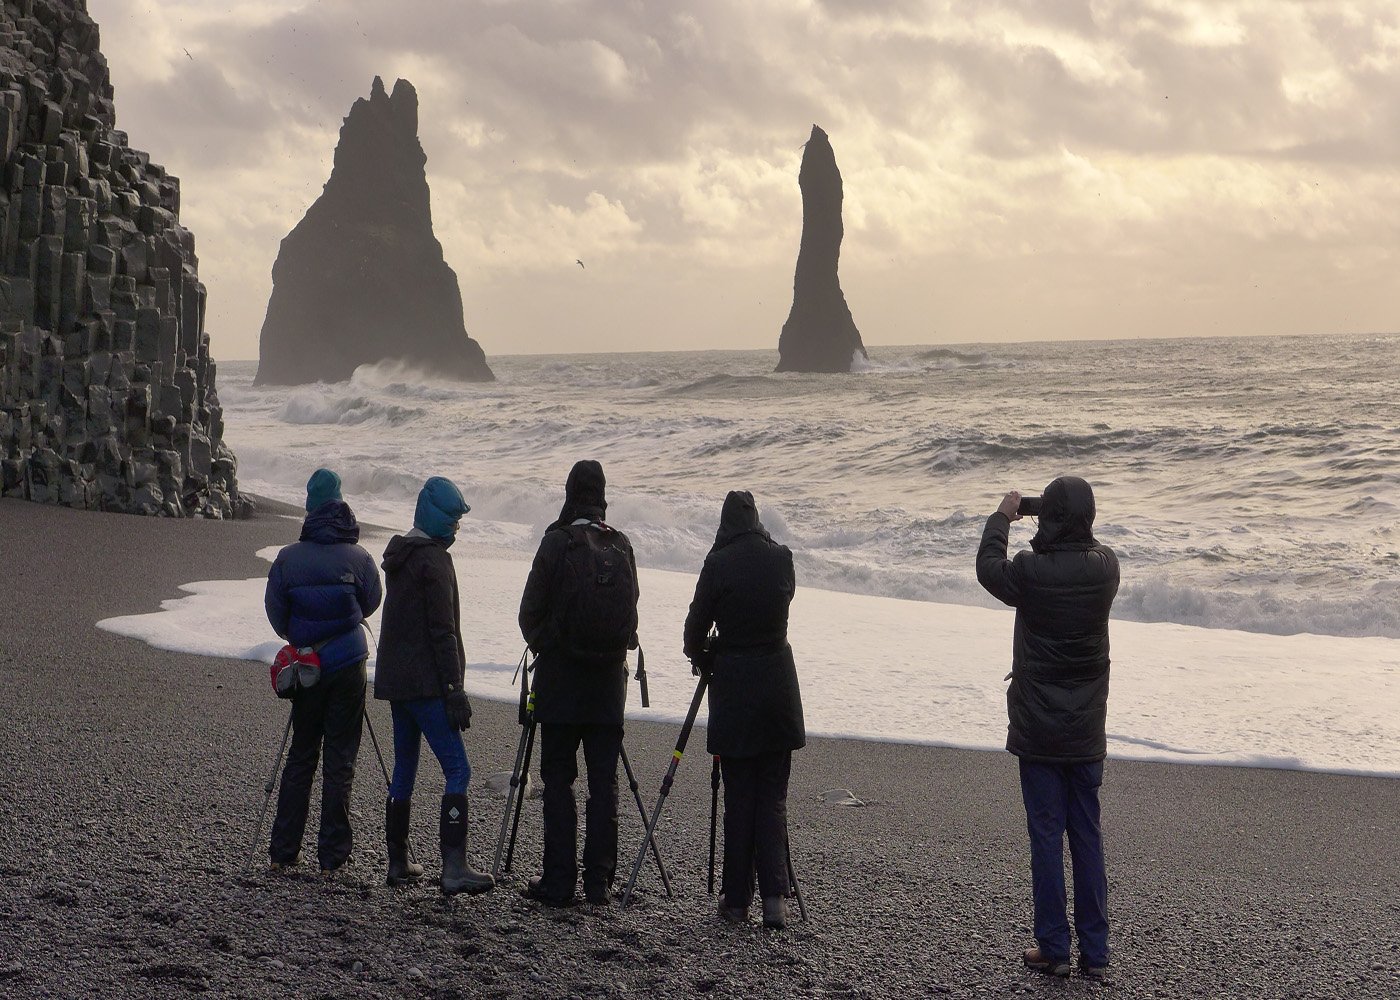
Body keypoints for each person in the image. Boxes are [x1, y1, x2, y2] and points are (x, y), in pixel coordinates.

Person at [976, 476, 1119, 981]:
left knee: (1045, 837)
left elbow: (987, 568)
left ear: (1050, 518)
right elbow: (1083, 551)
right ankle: (1096, 953)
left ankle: (1054, 948)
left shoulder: (1030, 572)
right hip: (1086, 729)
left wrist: (1004, 517)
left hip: (1039, 728)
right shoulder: (1106, 569)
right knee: (1087, 836)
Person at [518, 460, 639, 907]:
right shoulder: (621, 544)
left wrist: (552, 646)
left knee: (558, 779)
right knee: (603, 782)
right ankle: (598, 883)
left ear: (570, 493)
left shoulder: (557, 542)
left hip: (561, 683)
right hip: (608, 686)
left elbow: (528, 614)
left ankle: (559, 881)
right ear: (602, 496)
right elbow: (632, 618)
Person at [683, 490, 805, 930]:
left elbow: (692, 634)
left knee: (739, 799)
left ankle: (736, 902)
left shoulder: (717, 563)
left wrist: (708, 654)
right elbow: (781, 604)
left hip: (734, 690)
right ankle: (775, 901)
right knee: (772, 797)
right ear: (756, 520)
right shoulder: (782, 558)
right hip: (777, 690)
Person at [374, 476, 495, 895]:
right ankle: (454, 867)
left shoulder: (400, 556)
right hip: (427, 685)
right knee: (458, 769)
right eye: (455, 521)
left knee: (404, 767)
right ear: (442, 521)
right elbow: (443, 631)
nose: (457, 528)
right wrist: (454, 688)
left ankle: (398, 862)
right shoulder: (435, 562)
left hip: (397, 683)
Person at [264, 468, 382, 874]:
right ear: (340, 503)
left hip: (307, 666)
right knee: (340, 759)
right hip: (348, 663)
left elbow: (277, 616)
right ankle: (332, 856)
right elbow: (372, 601)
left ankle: (284, 850)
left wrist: (302, 634)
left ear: (310, 507)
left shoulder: (287, 559)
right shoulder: (359, 557)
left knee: (301, 754)